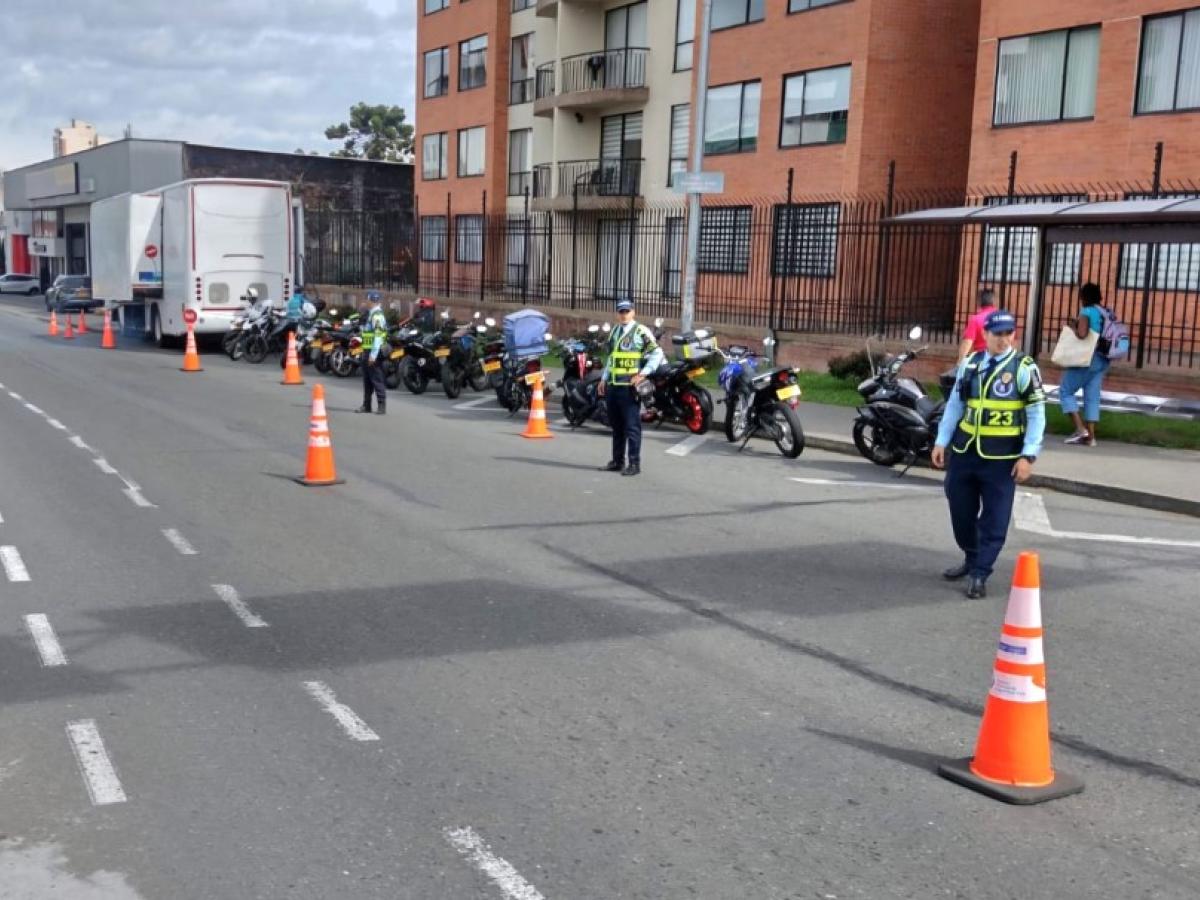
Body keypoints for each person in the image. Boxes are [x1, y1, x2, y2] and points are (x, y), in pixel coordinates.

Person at [931, 309, 1046, 599]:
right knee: (960, 512)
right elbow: (955, 406)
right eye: (998, 334)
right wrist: (941, 441)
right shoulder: (970, 363)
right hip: (965, 451)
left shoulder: (1023, 367)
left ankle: (980, 572)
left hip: (1002, 459)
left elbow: (1036, 414)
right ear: (985, 335)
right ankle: (971, 557)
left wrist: (1028, 455)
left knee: (995, 519)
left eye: (1009, 333)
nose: (1004, 340)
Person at [597, 298, 664, 477]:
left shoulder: (640, 331)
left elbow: (657, 353)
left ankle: (634, 463)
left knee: (632, 426)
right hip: (613, 385)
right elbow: (612, 358)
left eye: (627, 311)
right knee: (617, 426)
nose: (624, 314)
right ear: (617, 313)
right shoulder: (615, 331)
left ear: (633, 312)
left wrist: (643, 373)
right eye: (621, 311)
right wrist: (604, 379)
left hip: (629, 387)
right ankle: (617, 461)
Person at [1059, 282, 1109, 447]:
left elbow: (1082, 334)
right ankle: (1091, 437)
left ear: (1084, 297)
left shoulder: (1086, 312)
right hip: (1103, 359)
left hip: (1087, 358)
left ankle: (1081, 430)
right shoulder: (1105, 312)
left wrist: (1074, 326)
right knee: (1092, 396)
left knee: (1066, 390)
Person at [355, 291, 388, 415]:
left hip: (374, 352)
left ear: (370, 301)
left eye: (367, 300)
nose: (366, 302)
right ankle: (366, 405)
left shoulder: (377, 315)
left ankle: (381, 405)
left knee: (376, 379)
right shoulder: (372, 314)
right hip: (367, 349)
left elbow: (378, 336)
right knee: (367, 380)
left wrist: (373, 355)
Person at [957, 288, 998, 364]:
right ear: (994, 301)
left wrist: (959, 363)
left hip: (982, 360)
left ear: (979, 302)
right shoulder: (1003, 318)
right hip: (1001, 359)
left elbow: (967, 343)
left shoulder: (975, 319)